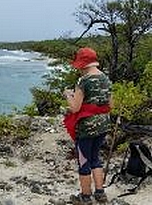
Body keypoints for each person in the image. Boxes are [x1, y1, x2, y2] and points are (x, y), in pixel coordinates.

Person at [63, 47, 112, 205]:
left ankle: (85, 196)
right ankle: (100, 193)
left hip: (87, 127)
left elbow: (75, 108)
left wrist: (68, 96)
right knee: (95, 158)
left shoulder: (83, 81)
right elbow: (110, 103)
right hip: (104, 124)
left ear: (83, 64)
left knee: (84, 161)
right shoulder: (106, 78)